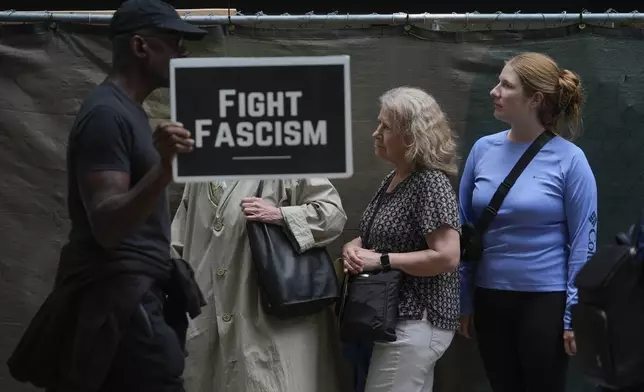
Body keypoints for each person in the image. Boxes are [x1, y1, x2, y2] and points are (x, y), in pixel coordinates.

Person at [7, 1, 209, 391]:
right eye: (174, 41)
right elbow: (107, 225)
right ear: (140, 46)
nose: (183, 51)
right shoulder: (105, 114)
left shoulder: (129, 112)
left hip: (132, 298)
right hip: (120, 302)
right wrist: (164, 170)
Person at [458, 52, 598, 392]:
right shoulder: (482, 150)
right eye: (497, 82)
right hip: (490, 298)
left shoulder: (571, 160)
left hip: (545, 301)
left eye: (506, 85)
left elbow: (584, 243)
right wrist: (465, 300)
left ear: (535, 98)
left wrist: (572, 316)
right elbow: (463, 229)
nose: (494, 91)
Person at [171, 178, 350, 392]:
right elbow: (178, 239)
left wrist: (281, 215)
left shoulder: (286, 157)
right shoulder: (200, 175)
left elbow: (331, 215)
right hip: (208, 315)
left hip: (268, 313)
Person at [341, 86, 462, 392]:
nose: (375, 133)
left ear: (412, 136)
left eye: (386, 127)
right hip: (398, 323)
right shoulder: (395, 178)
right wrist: (352, 247)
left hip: (418, 321)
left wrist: (380, 260)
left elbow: (447, 256)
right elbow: (379, 235)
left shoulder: (430, 183)